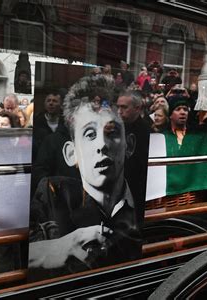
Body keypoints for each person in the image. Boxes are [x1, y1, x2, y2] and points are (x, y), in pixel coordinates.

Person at [28, 75, 142, 281]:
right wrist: (55, 249)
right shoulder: (54, 195)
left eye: (112, 132)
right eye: (90, 134)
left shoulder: (142, 200)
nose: (102, 145)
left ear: (129, 145)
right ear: (72, 154)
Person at [116, 89, 151, 224]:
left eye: (124, 107)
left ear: (137, 108)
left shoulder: (146, 132)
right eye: (118, 107)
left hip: (136, 191)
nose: (119, 111)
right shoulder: (116, 128)